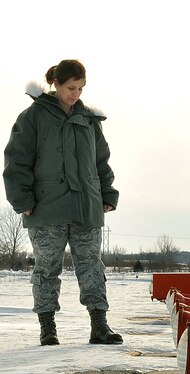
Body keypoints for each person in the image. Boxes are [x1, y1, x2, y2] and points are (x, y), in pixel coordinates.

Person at [3, 59, 123, 346]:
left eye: (81, 88)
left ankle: (99, 326)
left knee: (92, 265)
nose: (76, 94)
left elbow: (101, 162)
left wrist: (107, 194)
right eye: (71, 87)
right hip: (46, 208)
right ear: (56, 84)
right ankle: (47, 329)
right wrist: (22, 200)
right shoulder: (32, 118)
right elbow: (17, 161)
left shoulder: (89, 121)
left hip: (86, 206)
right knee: (47, 267)